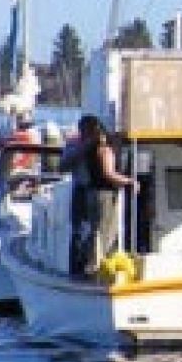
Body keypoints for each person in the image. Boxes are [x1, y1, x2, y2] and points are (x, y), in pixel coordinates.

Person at [66, 114, 136, 278]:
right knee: (103, 231)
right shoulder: (101, 149)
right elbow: (108, 173)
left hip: (94, 192)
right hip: (102, 194)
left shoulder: (91, 147)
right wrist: (130, 181)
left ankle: (93, 265)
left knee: (96, 231)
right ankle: (96, 267)